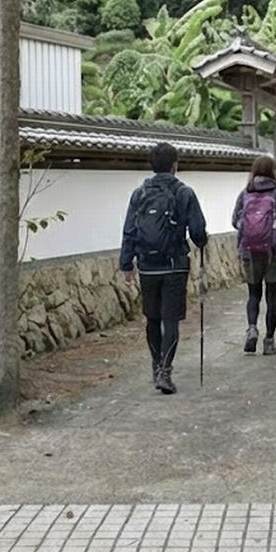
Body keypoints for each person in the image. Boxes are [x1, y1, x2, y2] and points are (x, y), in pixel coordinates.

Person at [120, 142, 209, 395]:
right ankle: (165, 372)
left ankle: (156, 364)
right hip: (174, 266)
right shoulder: (184, 193)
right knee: (170, 320)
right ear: (175, 165)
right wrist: (202, 242)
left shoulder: (139, 194)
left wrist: (127, 264)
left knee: (152, 317)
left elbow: (129, 230)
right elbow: (198, 231)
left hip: (147, 266)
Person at [232, 155, 276, 356]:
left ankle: (251, 328)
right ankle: (269, 341)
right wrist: (274, 228)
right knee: (272, 296)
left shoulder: (245, 193)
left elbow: (235, 221)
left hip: (249, 251)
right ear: (272, 171)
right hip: (274, 252)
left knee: (253, 294)